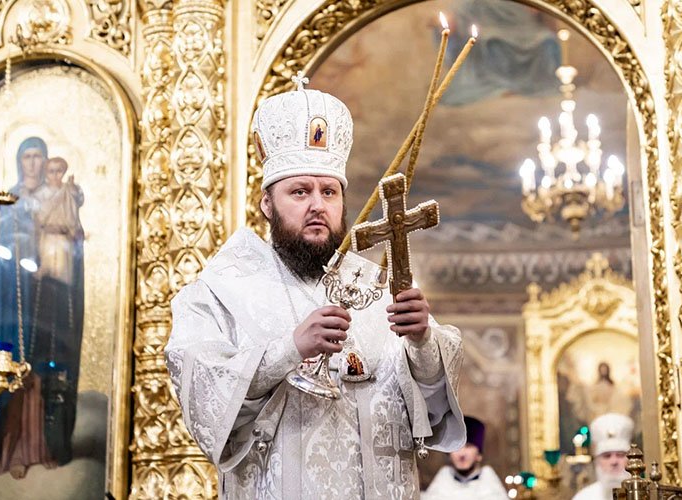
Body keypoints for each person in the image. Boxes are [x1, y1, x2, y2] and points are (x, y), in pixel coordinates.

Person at [165, 78, 466, 499]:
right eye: (300, 191)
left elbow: (433, 415)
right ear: (267, 205)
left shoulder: (376, 289)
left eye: (329, 192)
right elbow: (202, 396)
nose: (317, 205)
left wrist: (422, 342)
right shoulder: (220, 290)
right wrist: (289, 349)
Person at [0, 137, 54, 478]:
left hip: (45, 298)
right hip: (12, 299)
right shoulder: (8, 200)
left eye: (39, 156)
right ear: (19, 161)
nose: (33, 163)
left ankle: (31, 449)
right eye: (27, 156)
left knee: (38, 371)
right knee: (13, 368)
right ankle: (3, 453)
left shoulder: (56, 199)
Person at [30, 156, 86, 466]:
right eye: (50, 171)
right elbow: (36, 222)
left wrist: (73, 193)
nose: (54, 176)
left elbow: (75, 215)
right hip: (45, 261)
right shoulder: (39, 197)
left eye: (58, 171)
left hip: (64, 265)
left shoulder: (67, 193)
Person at [422, 416, 508, 499]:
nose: (462, 454)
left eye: (468, 446)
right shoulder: (443, 479)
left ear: (479, 455)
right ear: (449, 455)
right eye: (457, 447)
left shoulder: (489, 481)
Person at [572, 413, 633, 500]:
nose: (614, 461)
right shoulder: (583, 497)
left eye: (620, 455)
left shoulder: (645, 494)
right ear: (598, 461)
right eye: (607, 456)